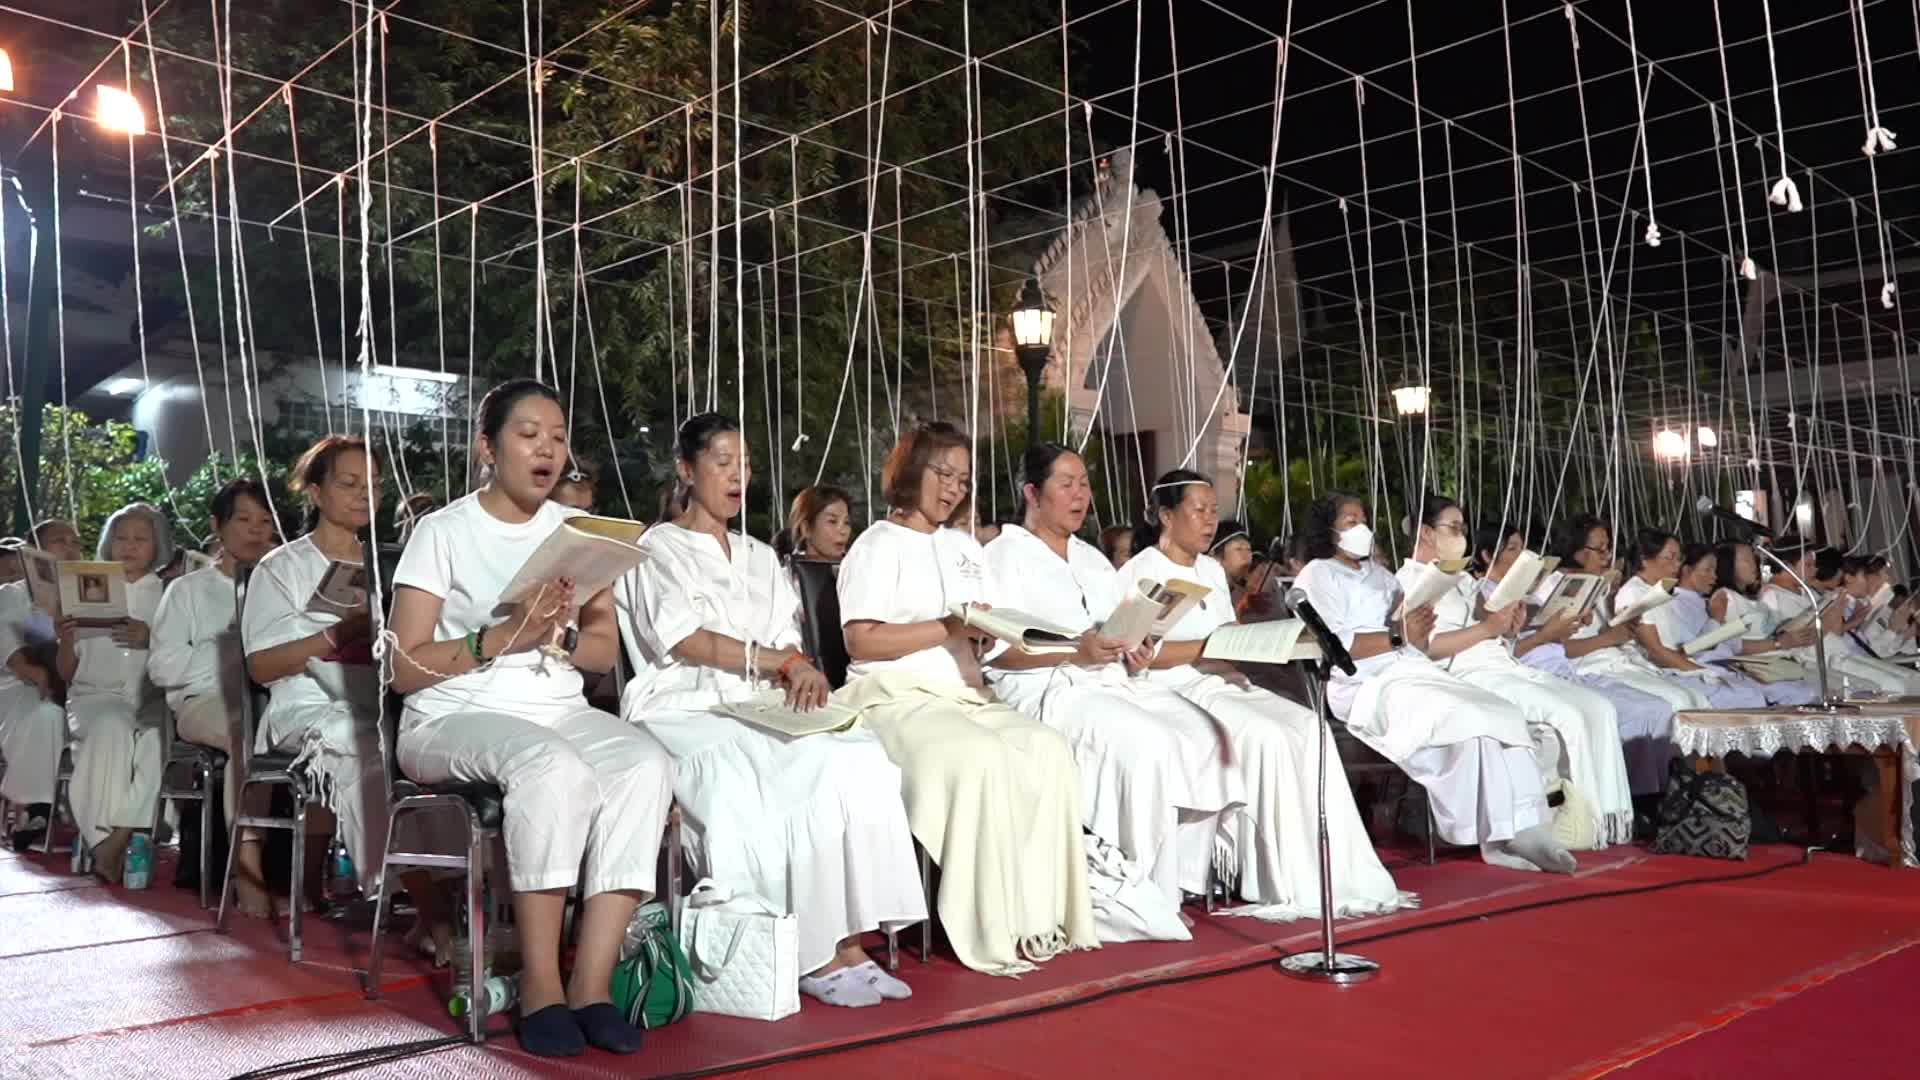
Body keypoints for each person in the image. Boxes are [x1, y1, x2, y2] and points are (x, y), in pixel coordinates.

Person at [388, 378, 673, 1058]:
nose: (548, 449)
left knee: (645, 761)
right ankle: (542, 986)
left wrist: (560, 633)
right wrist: (503, 637)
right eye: (528, 435)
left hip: (555, 707)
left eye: (558, 437)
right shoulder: (442, 532)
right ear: (488, 448)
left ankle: (592, 987)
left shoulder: (575, 535)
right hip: (452, 712)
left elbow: (600, 652)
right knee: (551, 766)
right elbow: (404, 667)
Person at [615, 413, 926, 1008]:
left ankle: (848, 939)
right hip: (685, 706)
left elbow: (789, 640)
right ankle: (805, 949)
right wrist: (778, 661)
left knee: (857, 754)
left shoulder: (759, 556)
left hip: (761, 701)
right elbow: (686, 641)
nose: (738, 476)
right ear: (686, 470)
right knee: (775, 768)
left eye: (745, 464)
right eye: (722, 463)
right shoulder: (656, 549)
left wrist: (798, 668)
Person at [836, 420, 1096, 975]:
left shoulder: (963, 547)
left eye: (963, 478)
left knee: (1048, 750)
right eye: (944, 474)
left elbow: (989, 630)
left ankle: (1037, 918)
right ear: (912, 470)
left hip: (967, 694)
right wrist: (948, 627)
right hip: (893, 697)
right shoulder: (876, 545)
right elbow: (862, 640)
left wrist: (990, 635)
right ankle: (984, 923)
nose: (954, 487)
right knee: (982, 758)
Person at [1109, 468, 1411, 914]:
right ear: (1167, 516)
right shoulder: (1139, 572)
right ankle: (1283, 879)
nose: (1209, 520)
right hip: (1172, 689)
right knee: (1268, 737)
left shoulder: (1210, 570)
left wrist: (1257, 644)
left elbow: (1227, 635)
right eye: (1198, 510)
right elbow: (1140, 653)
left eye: (1214, 510)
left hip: (1224, 680)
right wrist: (1210, 649)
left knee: (1310, 728)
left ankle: (1339, 873)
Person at [982, 450, 1239, 915]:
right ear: (1033, 493)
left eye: (1084, 483)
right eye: (1066, 484)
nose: (1080, 495)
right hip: (1047, 686)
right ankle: (1139, 888)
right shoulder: (1001, 556)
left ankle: (1181, 874)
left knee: (1206, 733)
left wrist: (1137, 647)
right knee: (1152, 743)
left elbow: (1116, 632)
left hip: (1113, 679)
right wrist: (1076, 651)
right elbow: (999, 651)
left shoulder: (1092, 560)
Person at [1295, 491, 1574, 874]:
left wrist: (1417, 631)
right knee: (1467, 716)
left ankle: (1528, 825)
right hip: (1362, 680)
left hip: (1409, 668)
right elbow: (1333, 643)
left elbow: (1417, 643)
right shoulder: (1318, 574)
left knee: (1501, 711)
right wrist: (1399, 637)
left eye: (1364, 520)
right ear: (1328, 529)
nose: (1361, 528)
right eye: (1350, 522)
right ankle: (1496, 837)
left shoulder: (1382, 577)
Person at [243, 438, 427, 920]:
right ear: (315, 492)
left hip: (380, 700)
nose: (365, 494)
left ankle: (443, 887)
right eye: (349, 484)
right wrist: (336, 635)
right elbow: (260, 666)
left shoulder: (390, 567)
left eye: (374, 485)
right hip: (303, 704)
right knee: (357, 744)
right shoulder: (281, 567)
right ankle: (412, 896)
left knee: (427, 742)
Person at [1402, 498, 1634, 846]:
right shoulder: (1409, 581)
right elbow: (1427, 647)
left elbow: (1497, 635)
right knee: (1568, 716)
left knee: (1600, 708)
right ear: (1426, 533)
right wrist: (1489, 628)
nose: (1461, 535)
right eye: (1454, 527)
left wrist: (1509, 627)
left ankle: (1610, 818)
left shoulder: (1462, 580)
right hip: (1468, 673)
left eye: (1463, 528)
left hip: (1504, 664)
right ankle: (1582, 823)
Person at [147, 478, 279, 915]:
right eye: (243, 519)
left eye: (265, 521)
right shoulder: (186, 590)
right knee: (245, 732)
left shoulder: (280, 588)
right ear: (217, 526)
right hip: (204, 703)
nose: (256, 530)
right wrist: (228, 655)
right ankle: (247, 867)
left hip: (271, 699)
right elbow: (162, 667)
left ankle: (311, 875)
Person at [1486, 522, 1675, 808]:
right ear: (1487, 556)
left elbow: (1550, 643)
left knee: (1656, 707)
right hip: (1538, 671)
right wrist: (1554, 634)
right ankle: (1612, 805)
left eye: (1523, 549)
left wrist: (1569, 627)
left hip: (1566, 665)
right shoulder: (1492, 593)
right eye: (1513, 549)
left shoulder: (1567, 588)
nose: (1606, 555)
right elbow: (1517, 649)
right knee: (1611, 710)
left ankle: (1653, 797)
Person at [60, 502, 171, 882]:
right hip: (92, 699)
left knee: (157, 743)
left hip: (150, 702)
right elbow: (65, 672)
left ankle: (112, 841)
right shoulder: (85, 589)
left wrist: (150, 637)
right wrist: (65, 639)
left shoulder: (169, 594)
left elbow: (183, 654)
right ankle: (111, 840)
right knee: (112, 724)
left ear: (158, 545)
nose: (130, 546)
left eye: (141, 538)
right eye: (121, 537)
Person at [1645, 542, 1816, 706]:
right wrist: (1716, 619)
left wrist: (1778, 643)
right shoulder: (1676, 603)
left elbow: (1732, 644)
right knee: (1753, 696)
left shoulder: (1704, 601)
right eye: (1707, 570)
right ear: (1687, 570)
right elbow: (1692, 649)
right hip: (1704, 670)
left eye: (1715, 570)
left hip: (1731, 667)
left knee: (1801, 691)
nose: (1714, 576)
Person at [1614, 531, 1767, 709]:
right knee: (1745, 696)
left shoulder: (1660, 592)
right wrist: (1702, 671)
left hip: (1680, 663)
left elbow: (1685, 646)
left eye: (1678, 558)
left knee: (1750, 690)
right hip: (1661, 669)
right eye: (1670, 557)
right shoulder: (1634, 592)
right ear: (1645, 559)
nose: (1676, 565)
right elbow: (1656, 652)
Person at [1, 527, 73, 849]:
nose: (70, 547)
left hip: (76, 690)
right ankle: (34, 808)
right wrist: (30, 669)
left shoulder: (84, 594)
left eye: (76, 542)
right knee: (46, 715)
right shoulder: (12, 593)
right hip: (18, 688)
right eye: (60, 540)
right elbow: (7, 641)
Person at [773, 484, 855, 563]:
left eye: (847, 522)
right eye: (832, 521)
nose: (843, 531)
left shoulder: (856, 569)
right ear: (806, 528)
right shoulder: (784, 572)